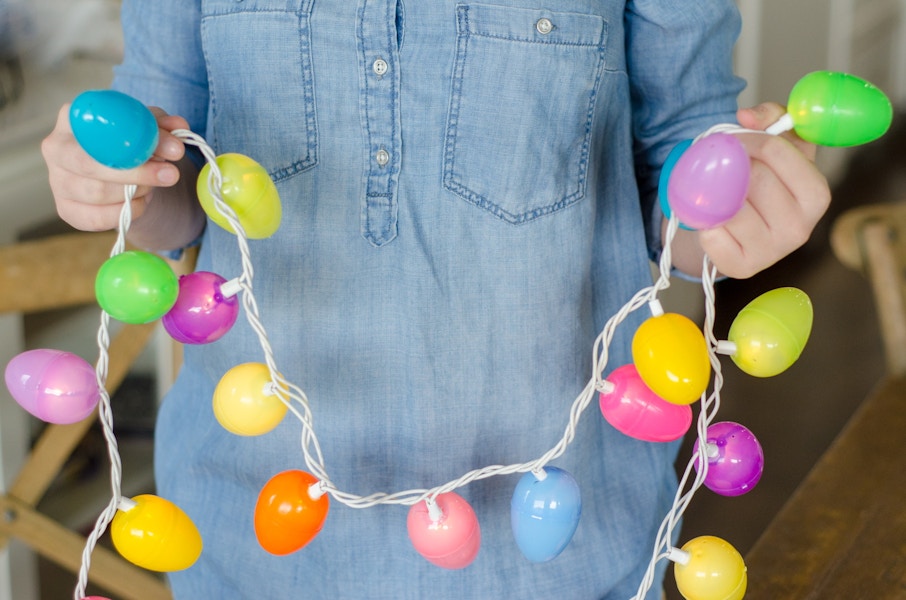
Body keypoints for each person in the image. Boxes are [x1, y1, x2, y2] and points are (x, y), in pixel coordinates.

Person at [41, 2, 830, 598]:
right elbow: (169, 185)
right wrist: (118, 187)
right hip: (255, 539)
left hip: (570, 549)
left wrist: (740, 206)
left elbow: (682, 176)